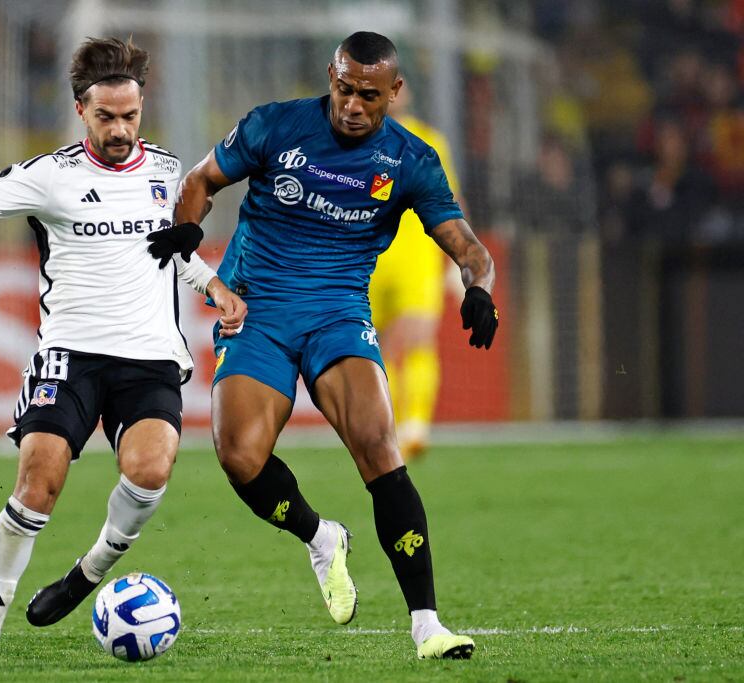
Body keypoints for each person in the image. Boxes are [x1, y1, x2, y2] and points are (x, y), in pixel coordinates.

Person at [0, 37, 246, 668]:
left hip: (149, 357)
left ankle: (88, 573)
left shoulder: (168, 173)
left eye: (130, 116)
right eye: (107, 117)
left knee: (149, 471)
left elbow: (173, 248)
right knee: (39, 479)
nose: (120, 130)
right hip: (71, 355)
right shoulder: (49, 177)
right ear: (81, 110)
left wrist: (213, 284)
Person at [150, 31, 497, 660]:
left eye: (369, 95)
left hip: (339, 315)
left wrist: (479, 289)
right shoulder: (274, 127)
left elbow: (469, 248)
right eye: (344, 89)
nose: (353, 105)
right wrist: (189, 232)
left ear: (394, 93)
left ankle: (427, 624)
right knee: (239, 456)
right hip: (256, 313)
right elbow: (201, 180)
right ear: (330, 77)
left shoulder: (410, 160)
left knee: (378, 446)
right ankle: (320, 536)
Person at [368, 80, 465, 458]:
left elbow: (450, 200)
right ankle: (388, 429)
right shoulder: (356, 141)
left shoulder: (431, 141)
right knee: (376, 346)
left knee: (420, 337)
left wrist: (459, 261)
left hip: (418, 258)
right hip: (371, 259)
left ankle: (417, 426)